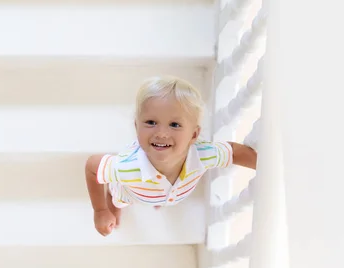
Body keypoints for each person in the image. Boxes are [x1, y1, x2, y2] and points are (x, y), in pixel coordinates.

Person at [84, 76, 257, 236]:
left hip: (166, 193)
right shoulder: (125, 167)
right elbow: (92, 167)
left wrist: (265, 165)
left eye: (174, 125)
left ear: (194, 135)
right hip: (130, 191)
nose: (161, 133)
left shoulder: (203, 154)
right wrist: (101, 210)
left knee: (158, 190)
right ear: (137, 126)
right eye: (151, 122)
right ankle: (115, 200)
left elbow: (233, 152)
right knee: (118, 199)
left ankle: (159, 193)